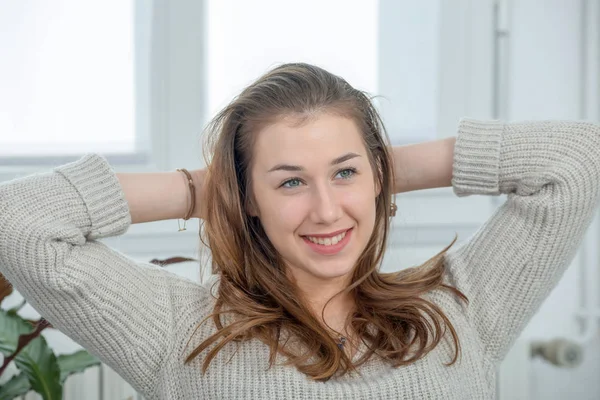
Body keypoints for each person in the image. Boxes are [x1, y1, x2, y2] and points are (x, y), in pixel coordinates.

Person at [0, 63, 599, 400]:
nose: (326, 211)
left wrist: (380, 173)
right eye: (289, 183)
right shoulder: (179, 332)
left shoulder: (459, 308)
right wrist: (210, 189)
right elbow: (19, 221)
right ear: (248, 197)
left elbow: (575, 160)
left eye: (344, 173)